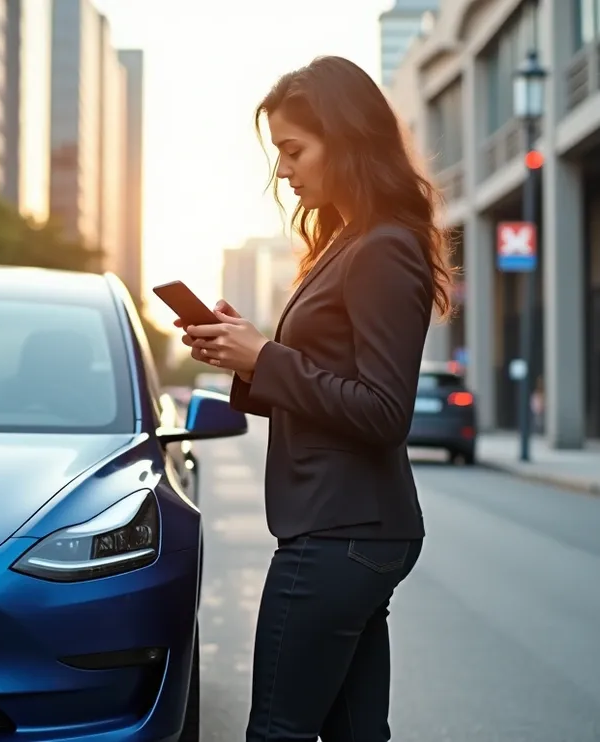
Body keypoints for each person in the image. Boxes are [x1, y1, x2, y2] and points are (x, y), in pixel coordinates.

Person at [179, 56, 454, 741]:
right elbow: (329, 382)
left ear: (348, 139)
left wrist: (265, 357)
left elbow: (384, 414)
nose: (285, 171)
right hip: (353, 529)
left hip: (340, 531)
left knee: (278, 731)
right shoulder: (348, 242)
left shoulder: (383, 248)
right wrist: (245, 357)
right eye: (280, 154)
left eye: (294, 150)